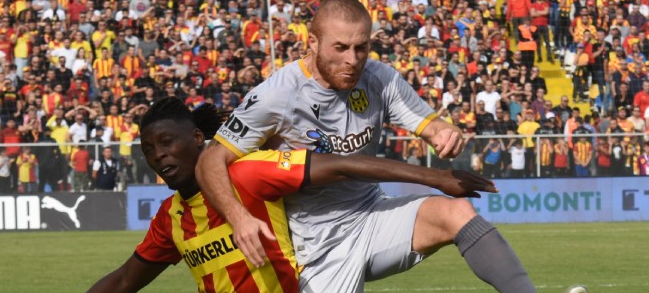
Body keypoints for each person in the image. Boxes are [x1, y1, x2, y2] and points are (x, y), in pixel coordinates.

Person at [196, 0, 536, 292]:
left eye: (361, 47)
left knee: (457, 212)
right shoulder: (278, 95)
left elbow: (432, 126)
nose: (352, 59)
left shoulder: (378, 78)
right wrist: (239, 219)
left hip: (373, 214)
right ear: (312, 42)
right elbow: (210, 160)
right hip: (317, 244)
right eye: (340, 48)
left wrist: (448, 133)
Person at [88, 98, 497, 293]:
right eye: (148, 150)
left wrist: (434, 177)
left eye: (165, 142)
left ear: (198, 139)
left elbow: (340, 164)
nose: (158, 155)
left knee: (451, 215)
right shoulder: (169, 218)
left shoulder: (246, 174)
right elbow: (125, 279)